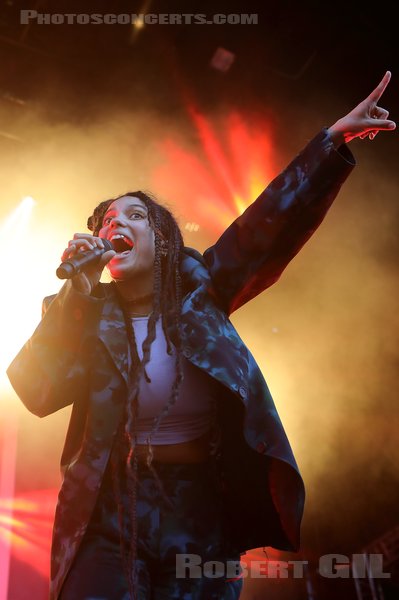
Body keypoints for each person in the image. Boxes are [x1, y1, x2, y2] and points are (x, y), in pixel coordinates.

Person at [7, 72, 395, 600]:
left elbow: (267, 225)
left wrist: (331, 142)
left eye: (134, 215)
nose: (114, 224)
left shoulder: (202, 293)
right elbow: (35, 388)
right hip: (109, 507)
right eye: (105, 221)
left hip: (199, 508)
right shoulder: (83, 311)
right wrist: (76, 291)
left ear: (163, 243)